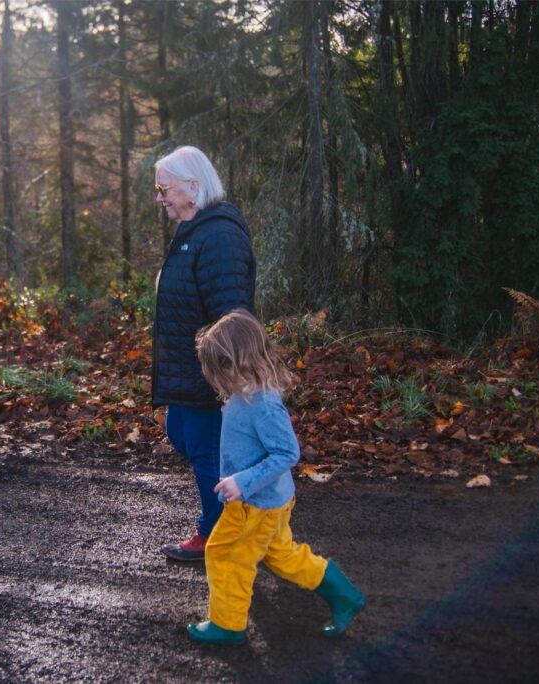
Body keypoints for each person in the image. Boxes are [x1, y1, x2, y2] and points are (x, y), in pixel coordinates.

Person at [186, 309, 365, 644]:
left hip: (254, 504)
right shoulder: (248, 394)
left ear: (234, 363)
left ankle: (227, 626)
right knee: (282, 555)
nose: (214, 381)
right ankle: (344, 594)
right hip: (271, 502)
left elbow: (287, 453)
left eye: (216, 372)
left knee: (225, 554)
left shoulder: (263, 405)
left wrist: (242, 481)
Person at [152, 146, 256, 561]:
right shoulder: (194, 232)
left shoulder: (219, 235)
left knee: (206, 451)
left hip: (208, 371)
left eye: (165, 188)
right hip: (186, 366)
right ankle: (235, 525)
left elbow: (231, 314)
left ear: (193, 187)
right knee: (182, 433)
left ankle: (219, 536)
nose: (160, 198)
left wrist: (227, 377)